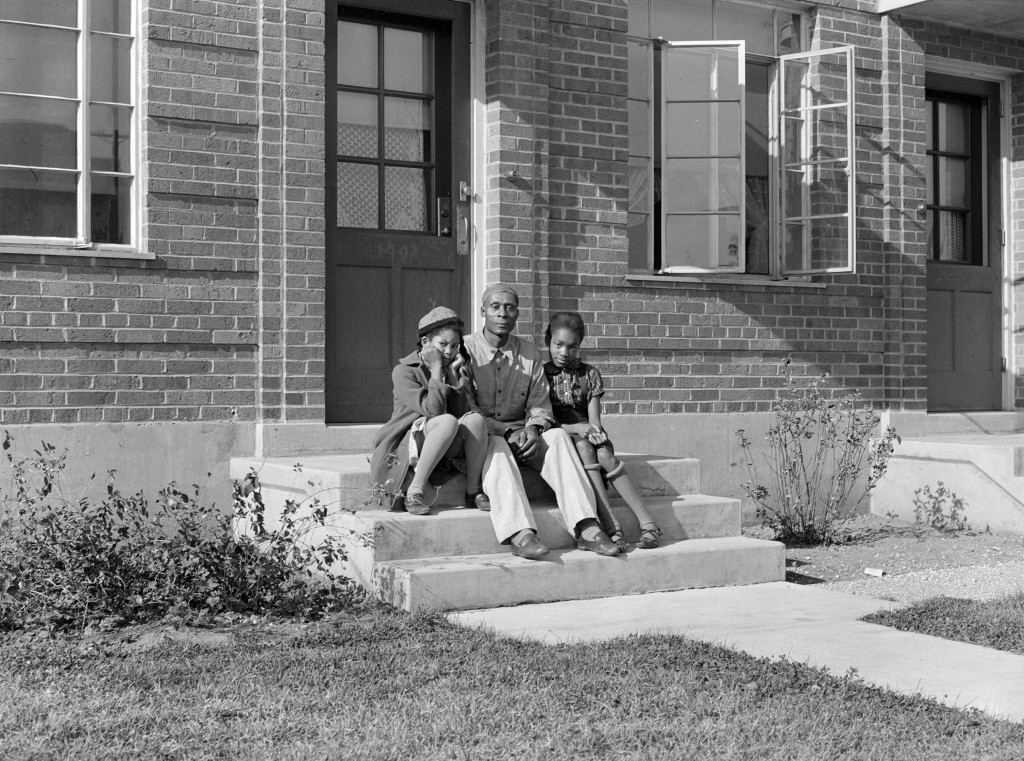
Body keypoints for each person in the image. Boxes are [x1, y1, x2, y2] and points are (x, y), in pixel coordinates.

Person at [463, 284, 620, 559]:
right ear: (483, 312)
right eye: (495, 307)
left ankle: (587, 526)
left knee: (558, 437)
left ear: (517, 315)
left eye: (510, 308)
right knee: (498, 449)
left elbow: (539, 401)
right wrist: (508, 430)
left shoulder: (529, 352)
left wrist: (534, 428)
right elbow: (466, 410)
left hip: (525, 434)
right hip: (487, 438)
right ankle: (522, 534)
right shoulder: (466, 350)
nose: (502, 314)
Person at [544, 311, 662, 549]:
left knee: (604, 453)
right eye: (558, 345)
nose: (564, 353)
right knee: (584, 447)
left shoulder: (589, 373)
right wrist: (577, 428)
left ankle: (649, 524)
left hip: (588, 432)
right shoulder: (542, 375)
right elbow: (546, 421)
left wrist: (594, 431)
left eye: (572, 347)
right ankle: (612, 527)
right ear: (548, 340)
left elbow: (594, 419)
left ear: (579, 347)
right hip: (563, 436)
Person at [369, 307, 490, 516]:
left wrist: (453, 377)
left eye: (454, 346)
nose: (449, 352)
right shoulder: (404, 371)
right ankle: (415, 492)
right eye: (442, 344)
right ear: (426, 343)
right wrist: (435, 370)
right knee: (447, 422)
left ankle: (473, 490)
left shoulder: (451, 367)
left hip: (442, 441)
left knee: (476, 420)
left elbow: (462, 414)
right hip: (410, 441)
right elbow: (433, 412)